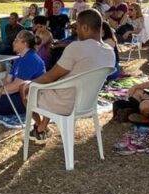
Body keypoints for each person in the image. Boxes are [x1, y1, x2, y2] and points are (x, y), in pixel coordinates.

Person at [25, 9, 115, 141]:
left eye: (76, 27)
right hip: (87, 103)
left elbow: (50, 77)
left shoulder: (76, 47)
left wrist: (29, 85)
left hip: (65, 103)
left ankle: (39, 128)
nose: (75, 31)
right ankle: (42, 128)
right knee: (49, 87)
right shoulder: (110, 51)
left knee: (26, 89)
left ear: (85, 27)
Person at [0, 30, 45, 117]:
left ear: (25, 43)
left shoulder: (30, 58)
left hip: (29, 96)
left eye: (16, 40)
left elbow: (17, 85)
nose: (13, 42)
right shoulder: (19, 57)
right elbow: (7, 80)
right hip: (18, 91)